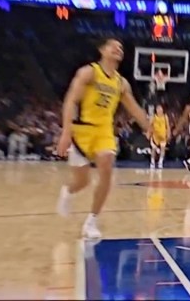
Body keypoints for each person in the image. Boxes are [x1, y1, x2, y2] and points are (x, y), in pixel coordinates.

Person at [56, 37, 152, 240]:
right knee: (82, 181)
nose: (119, 49)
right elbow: (70, 100)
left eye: (121, 47)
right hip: (81, 131)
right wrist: (66, 132)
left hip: (104, 132)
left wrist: (148, 126)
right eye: (114, 46)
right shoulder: (88, 72)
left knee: (107, 168)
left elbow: (133, 107)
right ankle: (68, 191)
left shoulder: (121, 82)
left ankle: (91, 221)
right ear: (102, 50)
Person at [149, 105, 170, 169]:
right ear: (156, 110)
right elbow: (150, 126)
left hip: (163, 136)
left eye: (161, 109)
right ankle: (152, 162)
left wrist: (168, 134)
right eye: (158, 109)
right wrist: (149, 134)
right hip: (155, 136)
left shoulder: (165, 116)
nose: (160, 110)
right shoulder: (153, 117)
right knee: (153, 149)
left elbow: (168, 126)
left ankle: (160, 162)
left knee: (162, 149)